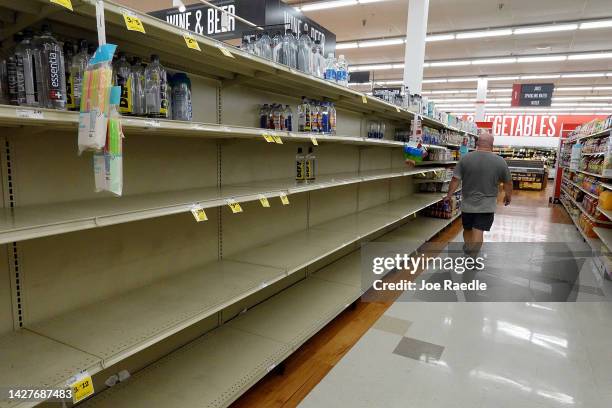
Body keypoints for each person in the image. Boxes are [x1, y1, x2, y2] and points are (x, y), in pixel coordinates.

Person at [444, 132, 512, 254]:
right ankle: (473, 255)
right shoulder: (500, 161)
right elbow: (508, 182)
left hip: (468, 203)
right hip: (487, 204)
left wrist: (449, 195)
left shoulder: (465, 158)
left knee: (468, 229)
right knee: (478, 230)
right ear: (492, 145)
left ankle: (469, 248)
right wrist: (508, 196)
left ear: (477, 143)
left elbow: (455, 179)